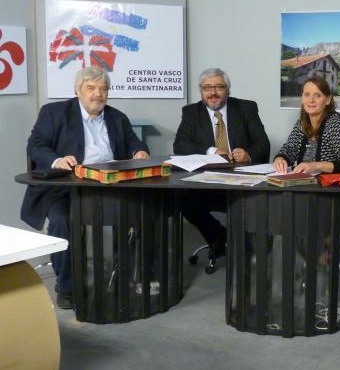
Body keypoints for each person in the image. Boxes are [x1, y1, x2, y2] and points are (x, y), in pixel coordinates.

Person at [20, 66, 150, 309]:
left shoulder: (116, 117)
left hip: (109, 187)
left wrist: (139, 150)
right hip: (65, 187)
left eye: (103, 89)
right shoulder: (54, 112)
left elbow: (134, 141)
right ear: (77, 90)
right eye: (91, 88)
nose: (97, 94)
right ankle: (67, 285)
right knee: (61, 219)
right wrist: (57, 160)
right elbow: (35, 145)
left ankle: (127, 278)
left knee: (141, 212)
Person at [173, 68, 270, 263]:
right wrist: (211, 151)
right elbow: (180, 145)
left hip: (241, 182)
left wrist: (248, 154)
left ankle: (248, 255)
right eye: (207, 87)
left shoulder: (246, 108)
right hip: (206, 182)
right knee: (185, 202)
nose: (213, 92)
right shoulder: (191, 112)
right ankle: (220, 237)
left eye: (218, 86)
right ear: (201, 91)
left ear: (228, 89)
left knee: (254, 206)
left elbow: (263, 144)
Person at [273, 75, 340, 180]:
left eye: (317, 95)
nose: (311, 100)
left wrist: (316, 165)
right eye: (307, 95)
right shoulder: (302, 122)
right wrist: (280, 158)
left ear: (328, 100)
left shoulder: (335, 123)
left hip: (335, 191)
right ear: (302, 98)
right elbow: (290, 148)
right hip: (307, 187)